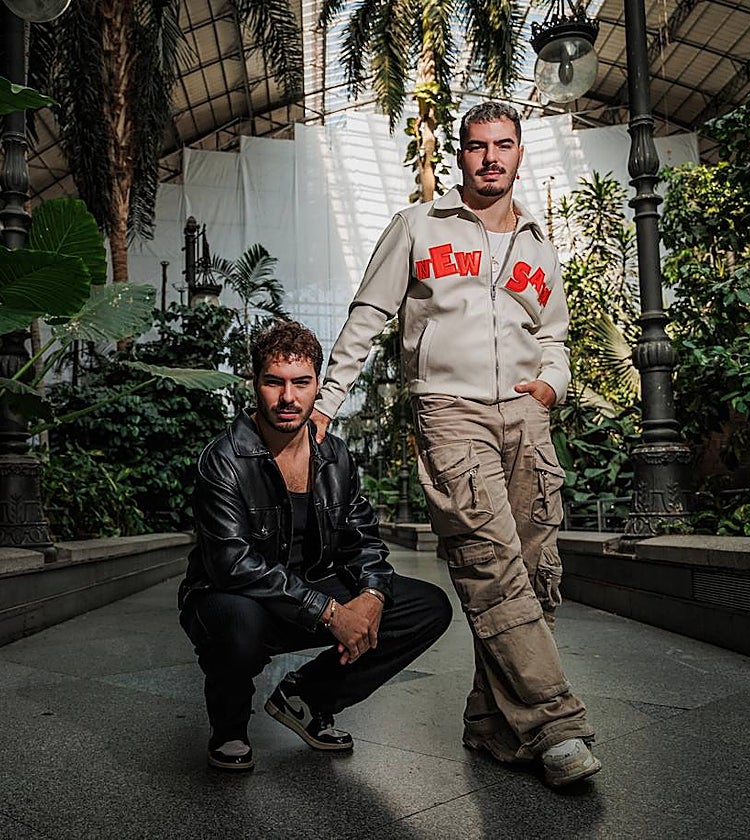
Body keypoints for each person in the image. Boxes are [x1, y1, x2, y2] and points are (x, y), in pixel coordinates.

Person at [310, 101, 600, 788]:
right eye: (477, 146)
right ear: (460, 156)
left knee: (535, 577)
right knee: (489, 568)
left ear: (520, 153)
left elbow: (554, 331)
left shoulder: (538, 245)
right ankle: (556, 725)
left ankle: (490, 723)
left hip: (526, 416)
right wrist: (324, 406)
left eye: (504, 145)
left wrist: (551, 386)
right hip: (450, 411)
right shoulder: (417, 226)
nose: (491, 157)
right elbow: (369, 317)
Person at [178, 320, 453, 772]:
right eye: (275, 382)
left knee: (427, 606)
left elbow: (364, 540)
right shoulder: (223, 458)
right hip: (236, 598)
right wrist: (331, 613)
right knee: (236, 624)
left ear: (318, 387)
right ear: (255, 384)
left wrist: (370, 598)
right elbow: (232, 564)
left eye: (301, 383)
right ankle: (229, 727)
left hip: (310, 593)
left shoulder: (335, 456)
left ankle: (305, 699)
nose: (288, 397)